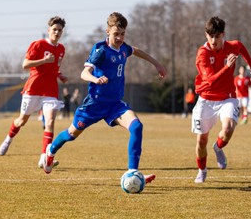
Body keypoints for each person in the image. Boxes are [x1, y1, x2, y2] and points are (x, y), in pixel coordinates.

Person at [42, 12, 167, 185]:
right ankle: (51, 151)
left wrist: (157, 64)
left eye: (123, 34)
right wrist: (95, 79)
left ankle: (133, 172)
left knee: (137, 126)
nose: (120, 38)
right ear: (108, 31)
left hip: (115, 105)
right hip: (95, 104)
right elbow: (84, 73)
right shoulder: (100, 50)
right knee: (71, 134)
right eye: (116, 34)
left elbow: (136, 51)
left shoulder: (123, 49)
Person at [191, 16, 251, 183]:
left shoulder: (232, 46)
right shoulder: (203, 54)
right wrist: (227, 67)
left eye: (217, 36)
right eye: (210, 36)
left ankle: (218, 147)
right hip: (206, 99)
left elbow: (240, 46)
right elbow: (211, 80)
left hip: (227, 98)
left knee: (228, 128)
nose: (214, 40)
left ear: (223, 35)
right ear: (206, 35)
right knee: (201, 140)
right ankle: (202, 170)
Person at [0, 16, 68, 170]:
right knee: (21, 121)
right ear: (49, 30)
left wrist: (59, 75)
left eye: (60, 30)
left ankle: (45, 157)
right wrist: (43, 60)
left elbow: (54, 68)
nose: (57, 32)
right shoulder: (38, 44)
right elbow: (25, 64)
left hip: (50, 90)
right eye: (54, 29)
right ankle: (8, 139)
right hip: (33, 88)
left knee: (49, 122)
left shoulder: (61, 49)